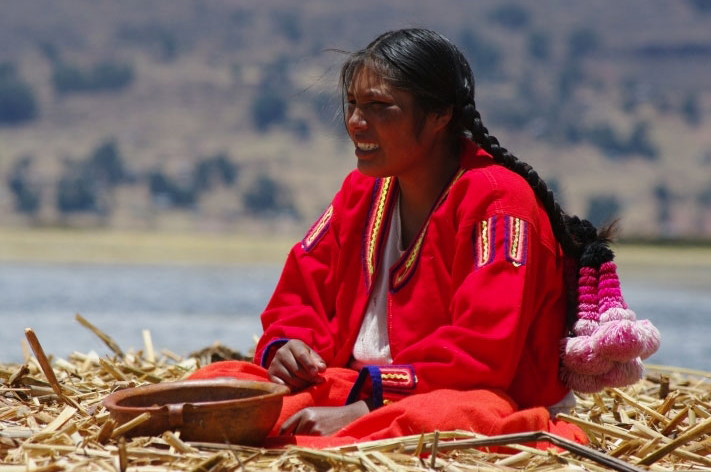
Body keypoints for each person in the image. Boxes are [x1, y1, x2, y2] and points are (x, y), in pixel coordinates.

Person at [189, 28, 657, 446]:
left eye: (379, 107)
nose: (355, 122)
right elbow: (303, 287)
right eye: (352, 104)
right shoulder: (362, 192)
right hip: (352, 383)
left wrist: (366, 407)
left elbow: (483, 352)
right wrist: (290, 346)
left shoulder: (499, 203)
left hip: (463, 395)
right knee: (221, 385)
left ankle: (340, 436)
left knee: (447, 415)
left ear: (438, 116)